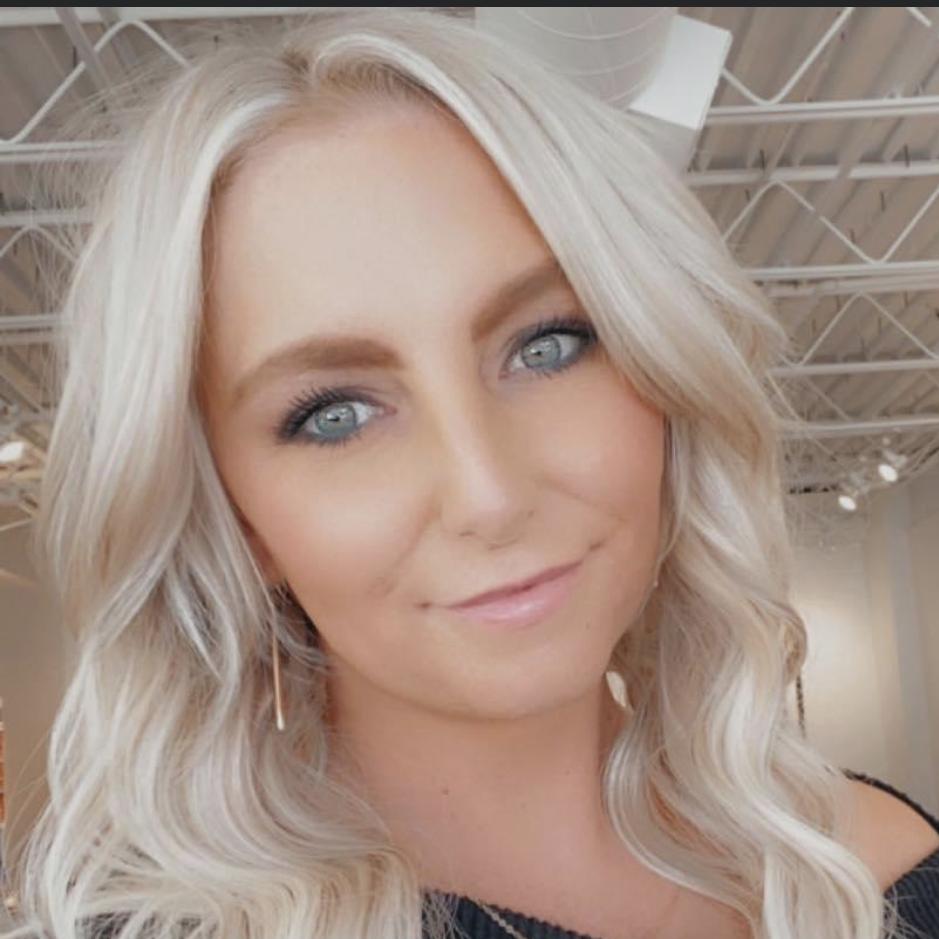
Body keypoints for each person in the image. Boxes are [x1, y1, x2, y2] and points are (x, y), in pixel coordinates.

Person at [2, 8, 938, 939]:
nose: (489, 493)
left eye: (546, 344)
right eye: (335, 414)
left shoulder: (880, 869)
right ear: (236, 517)